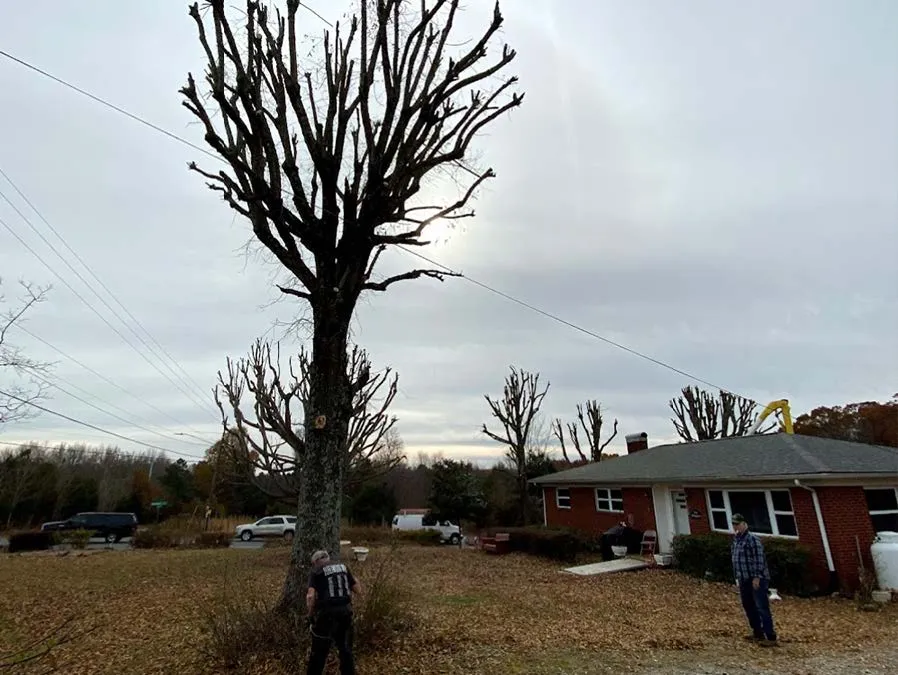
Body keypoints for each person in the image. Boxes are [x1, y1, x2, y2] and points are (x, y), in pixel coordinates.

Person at [306, 549, 361, 675]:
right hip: (346, 612)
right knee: (345, 648)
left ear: (315, 562)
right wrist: (353, 577)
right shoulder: (343, 567)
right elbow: (358, 590)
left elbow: (310, 596)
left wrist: (310, 615)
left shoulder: (316, 571)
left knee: (319, 650)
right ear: (328, 559)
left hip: (327, 614)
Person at [730, 513, 778, 647]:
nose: (735, 527)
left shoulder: (753, 540)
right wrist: (737, 577)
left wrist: (757, 577)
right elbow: (736, 559)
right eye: (734, 524)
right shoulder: (736, 539)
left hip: (756, 579)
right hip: (743, 578)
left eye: (738, 524)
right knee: (748, 604)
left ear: (744, 524)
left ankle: (770, 636)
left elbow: (759, 559)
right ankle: (757, 631)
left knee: (761, 606)